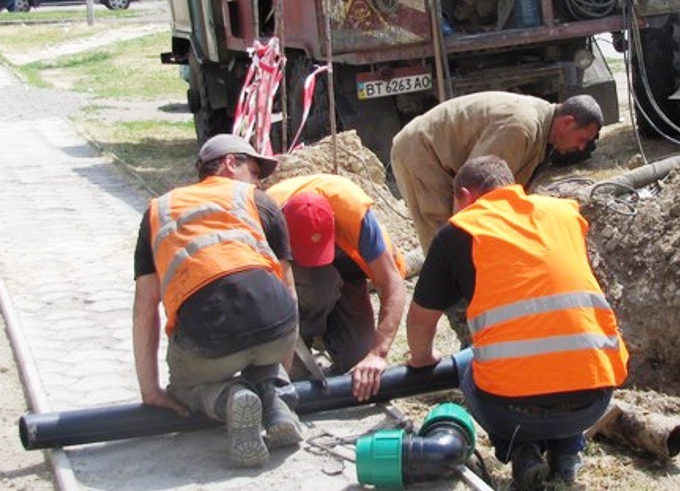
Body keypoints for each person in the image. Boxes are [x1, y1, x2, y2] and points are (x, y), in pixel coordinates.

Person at [407, 155, 628, 489]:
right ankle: (566, 456)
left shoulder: (460, 230)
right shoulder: (564, 214)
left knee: (470, 361)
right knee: (564, 365)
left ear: (465, 196)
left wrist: (422, 360)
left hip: (511, 412)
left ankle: (521, 450)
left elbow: (421, 320)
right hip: (594, 400)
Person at [132, 133, 302, 468]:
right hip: (276, 323)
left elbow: (144, 308)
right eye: (254, 171)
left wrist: (151, 390)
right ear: (229, 163)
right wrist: (282, 373)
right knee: (264, 351)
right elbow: (289, 292)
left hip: (207, 340)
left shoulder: (157, 212)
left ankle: (228, 399)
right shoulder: (261, 202)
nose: (258, 181)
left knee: (183, 385)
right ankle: (276, 403)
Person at [390, 91, 603, 252]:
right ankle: (456, 305)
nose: (582, 148)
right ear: (567, 122)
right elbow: (474, 186)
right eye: (582, 139)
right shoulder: (520, 129)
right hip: (420, 153)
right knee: (446, 237)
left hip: (444, 158)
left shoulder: (540, 129)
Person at [266, 174, 408, 402]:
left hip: (346, 268)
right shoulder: (267, 218)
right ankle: (307, 334)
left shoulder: (356, 216)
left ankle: (330, 328)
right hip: (294, 276)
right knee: (318, 285)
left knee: (358, 358)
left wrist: (376, 354)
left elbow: (393, 284)